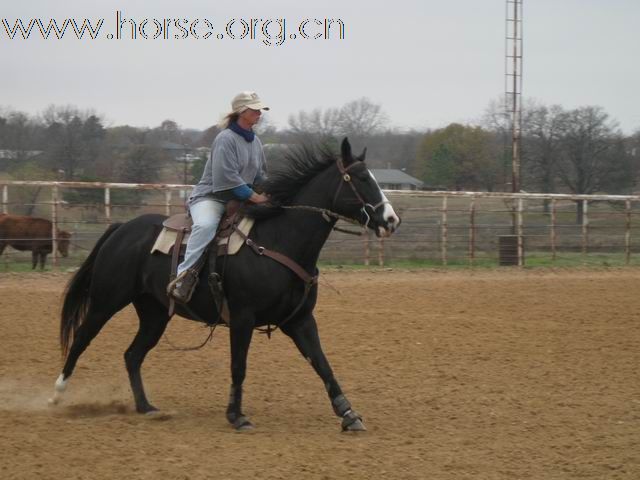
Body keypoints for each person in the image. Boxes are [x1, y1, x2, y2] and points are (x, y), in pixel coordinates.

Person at [167, 91, 270, 303]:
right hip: (212, 198)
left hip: (241, 200)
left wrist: (270, 190)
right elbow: (227, 178)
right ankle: (183, 278)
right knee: (205, 226)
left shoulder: (256, 142)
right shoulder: (225, 139)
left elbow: (260, 175)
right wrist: (255, 197)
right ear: (242, 112)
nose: (259, 113)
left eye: (260, 109)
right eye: (255, 109)